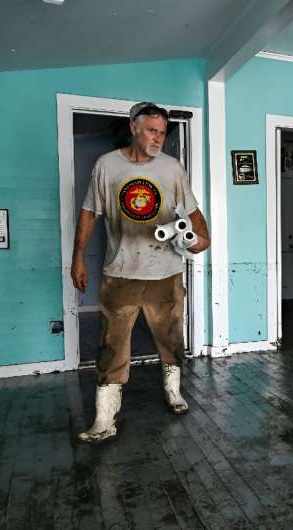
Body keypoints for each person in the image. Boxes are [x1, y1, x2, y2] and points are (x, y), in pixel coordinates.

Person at [71, 102, 210, 443]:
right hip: (121, 273)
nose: (158, 138)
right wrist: (78, 257)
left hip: (166, 273)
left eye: (162, 132)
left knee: (171, 337)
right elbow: (90, 213)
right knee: (111, 344)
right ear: (133, 127)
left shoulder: (172, 168)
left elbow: (192, 213)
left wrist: (202, 237)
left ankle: (173, 392)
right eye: (151, 130)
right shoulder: (107, 166)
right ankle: (104, 419)